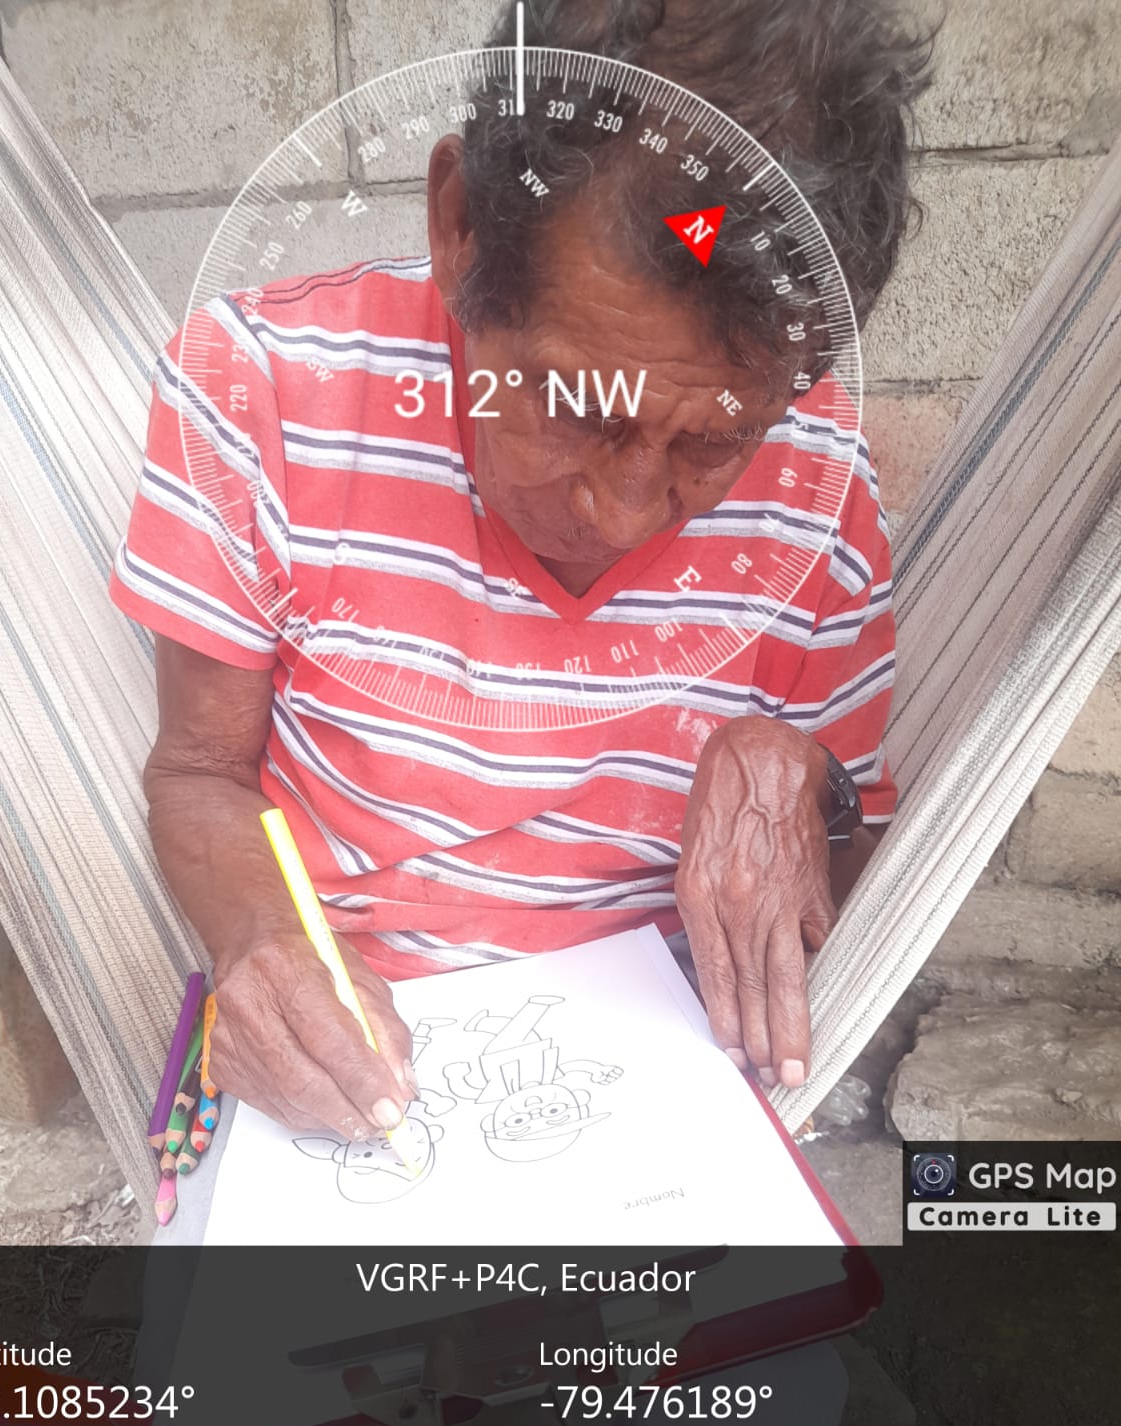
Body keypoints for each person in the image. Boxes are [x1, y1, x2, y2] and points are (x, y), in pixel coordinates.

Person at [110, 0, 933, 1157]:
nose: (625, 511)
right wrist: (260, 940)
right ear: (459, 227)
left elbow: (857, 856)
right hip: (352, 1065)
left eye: (714, 442)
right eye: (574, 407)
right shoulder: (260, 393)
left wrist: (808, 783)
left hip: (652, 1095)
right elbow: (199, 771)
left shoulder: (817, 474)